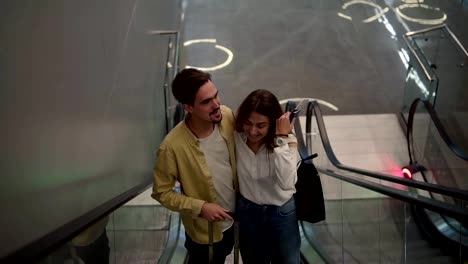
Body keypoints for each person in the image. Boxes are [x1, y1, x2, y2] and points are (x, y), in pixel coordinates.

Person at [152, 68, 238, 264]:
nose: (216, 104)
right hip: (204, 233)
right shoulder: (171, 147)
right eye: (206, 102)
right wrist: (200, 207)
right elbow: (162, 193)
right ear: (188, 107)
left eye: (215, 96)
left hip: (237, 220)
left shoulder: (227, 117)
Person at [234, 89, 300, 264]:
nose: (253, 131)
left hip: (281, 213)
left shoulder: (287, 140)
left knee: (288, 261)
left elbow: (288, 183)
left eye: (261, 125)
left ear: (272, 123)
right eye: (248, 123)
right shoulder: (237, 137)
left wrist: (280, 139)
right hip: (248, 211)